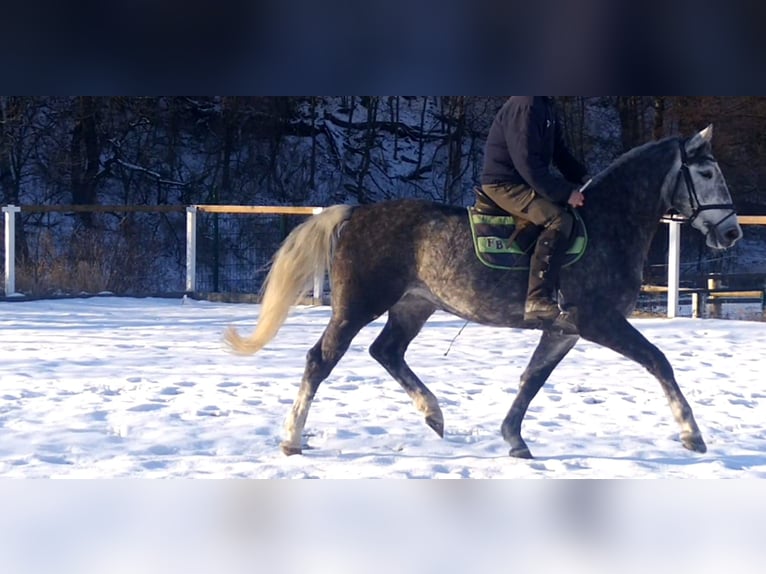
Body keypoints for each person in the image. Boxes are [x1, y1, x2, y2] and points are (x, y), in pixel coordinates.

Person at [480, 96, 590, 323]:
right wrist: (565, 193)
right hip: (504, 183)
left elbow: (560, 153)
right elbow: (527, 163)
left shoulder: (546, 106)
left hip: (524, 181)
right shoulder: (526, 105)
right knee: (558, 220)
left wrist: (584, 177)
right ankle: (537, 299)